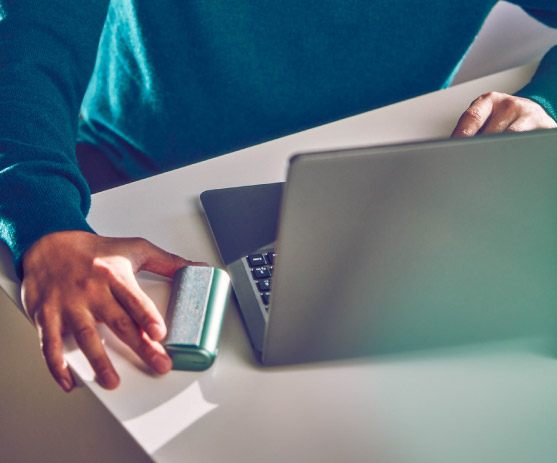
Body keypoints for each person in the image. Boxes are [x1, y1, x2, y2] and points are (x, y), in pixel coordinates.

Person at [1, 0, 556, 392]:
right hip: (135, 189)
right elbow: (28, 41)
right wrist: (44, 220)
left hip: (375, 194)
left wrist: (545, 103)